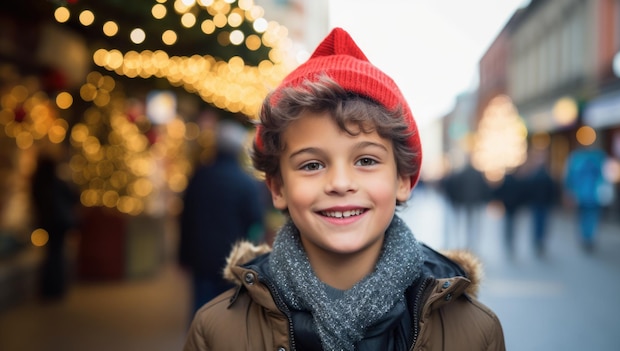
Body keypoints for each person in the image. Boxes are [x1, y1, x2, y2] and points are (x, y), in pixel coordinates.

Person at [182, 28, 505, 351]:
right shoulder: (218, 332)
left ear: (402, 180)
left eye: (365, 160)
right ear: (278, 187)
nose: (339, 183)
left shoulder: (474, 331)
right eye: (311, 165)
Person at [178, 119, 265, 316]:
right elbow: (255, 222)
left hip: (201, 257)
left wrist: (182, 255)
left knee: (201, 309)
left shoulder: (200, 177)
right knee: (229, 312)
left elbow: (186, 219)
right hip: (233, 258)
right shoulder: (247, 183)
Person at [30, 149, 79, 301]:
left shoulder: (37, 182)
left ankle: (50, 287)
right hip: (60, 223)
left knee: (52, 254)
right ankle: (56, 287)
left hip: (48, 223)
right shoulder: (57, 181)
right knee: (56, 254)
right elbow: (73, 197)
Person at [563, 143, 609, 253]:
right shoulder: (598, 157)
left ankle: (586, 237)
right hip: (592, 195)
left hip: (584, 195)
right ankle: (588, 237)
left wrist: (569, 191)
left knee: (585, 216)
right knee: (590, 216)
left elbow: (569, 177)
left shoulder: (576, 158)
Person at [524, 149, 557, 257]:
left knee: (538, 223)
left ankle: (538, 240)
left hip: (538, 203)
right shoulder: (546, 175)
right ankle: (540, 240)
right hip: (542, 204)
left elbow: (529, 189)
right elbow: (552, 190)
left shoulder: (535, 175)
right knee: (542, 223)